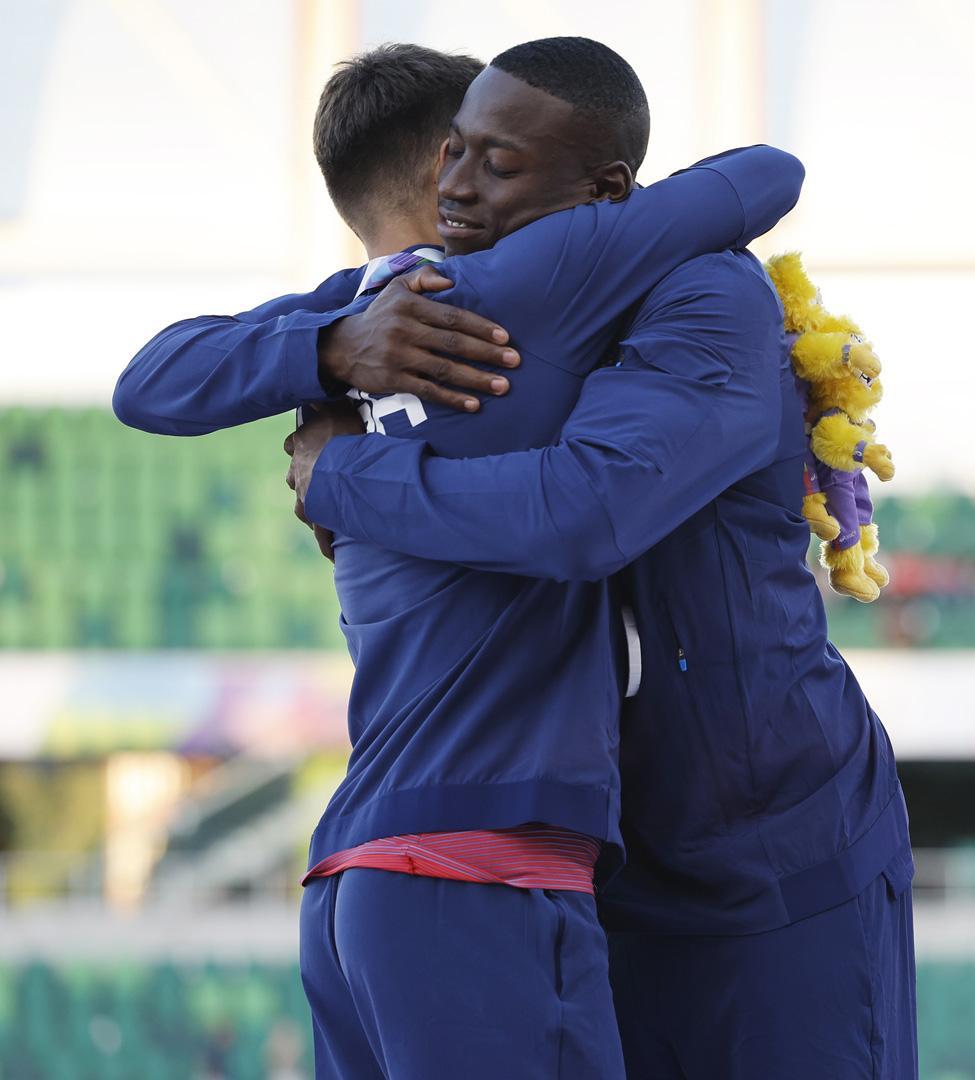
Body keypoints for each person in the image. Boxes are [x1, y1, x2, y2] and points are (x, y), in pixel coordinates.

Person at [115, 39, 804, 1077]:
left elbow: (146, 382)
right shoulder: (547, 275)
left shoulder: (341, 317)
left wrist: (326, 357)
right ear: (449, 158)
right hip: (485, 867)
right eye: (480, 148)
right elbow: (764, 176)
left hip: (355, 878)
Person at [282, 74, 918, 1080]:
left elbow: (587, 513)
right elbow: (172, 370)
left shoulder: (708, 292)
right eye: (454, 158)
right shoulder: (425, 322)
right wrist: (325, 355)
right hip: (597, 863)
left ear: (601, 188)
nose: (462, 191)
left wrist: (346, 479)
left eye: (497, 161)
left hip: (775, 855)